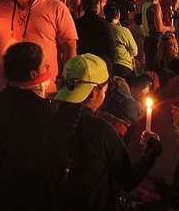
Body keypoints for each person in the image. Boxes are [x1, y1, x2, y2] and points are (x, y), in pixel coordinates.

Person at [46, 54, 161, 210]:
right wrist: (153, 150)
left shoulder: (48, 122)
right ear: (94, 92)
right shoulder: (101, 131)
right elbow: (127, 179)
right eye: (105, 89)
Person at [0, 0, 77, 106]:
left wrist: (65, 82)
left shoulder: (56, 8)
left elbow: (70, 49)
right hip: (5, 91)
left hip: (44, 92)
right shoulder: (0, 9)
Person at [0, 42, 54, 211]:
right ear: (34, 74)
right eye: (45, 65)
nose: (49, 69)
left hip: (7, 181)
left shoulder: (2, 98)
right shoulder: (43, 109)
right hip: (34, 189)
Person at [74, 0, 113, 68]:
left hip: (82, 62)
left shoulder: (77, 23)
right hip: (99, 62)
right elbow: (109, 45)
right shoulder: (102, 22)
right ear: (97, 5)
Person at [105, 2, 138, 78]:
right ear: (118, 15)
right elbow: (135, 51)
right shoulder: (123, 31)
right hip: (123, 65)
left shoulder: (103, 29)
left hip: (107, 65)